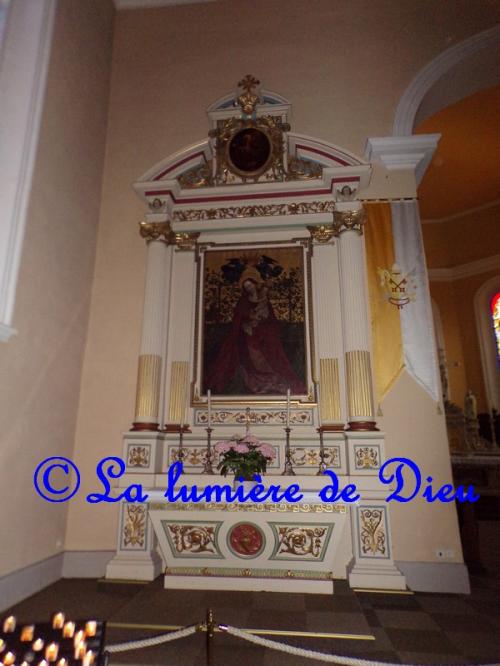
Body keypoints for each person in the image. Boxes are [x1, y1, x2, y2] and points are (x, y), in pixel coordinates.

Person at [205, 271, 305, 395]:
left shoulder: (264, 299)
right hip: (249, 334)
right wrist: (247, 323)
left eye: (250, 284)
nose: (249, 288)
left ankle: (272, 377)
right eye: (246, 286)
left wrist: (263, 321)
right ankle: (258, 380)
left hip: (266, 333)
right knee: (254, 354)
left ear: (255, 283)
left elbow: (271, 319)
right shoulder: (243, 301)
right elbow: (238, 319)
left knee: (270, 353)